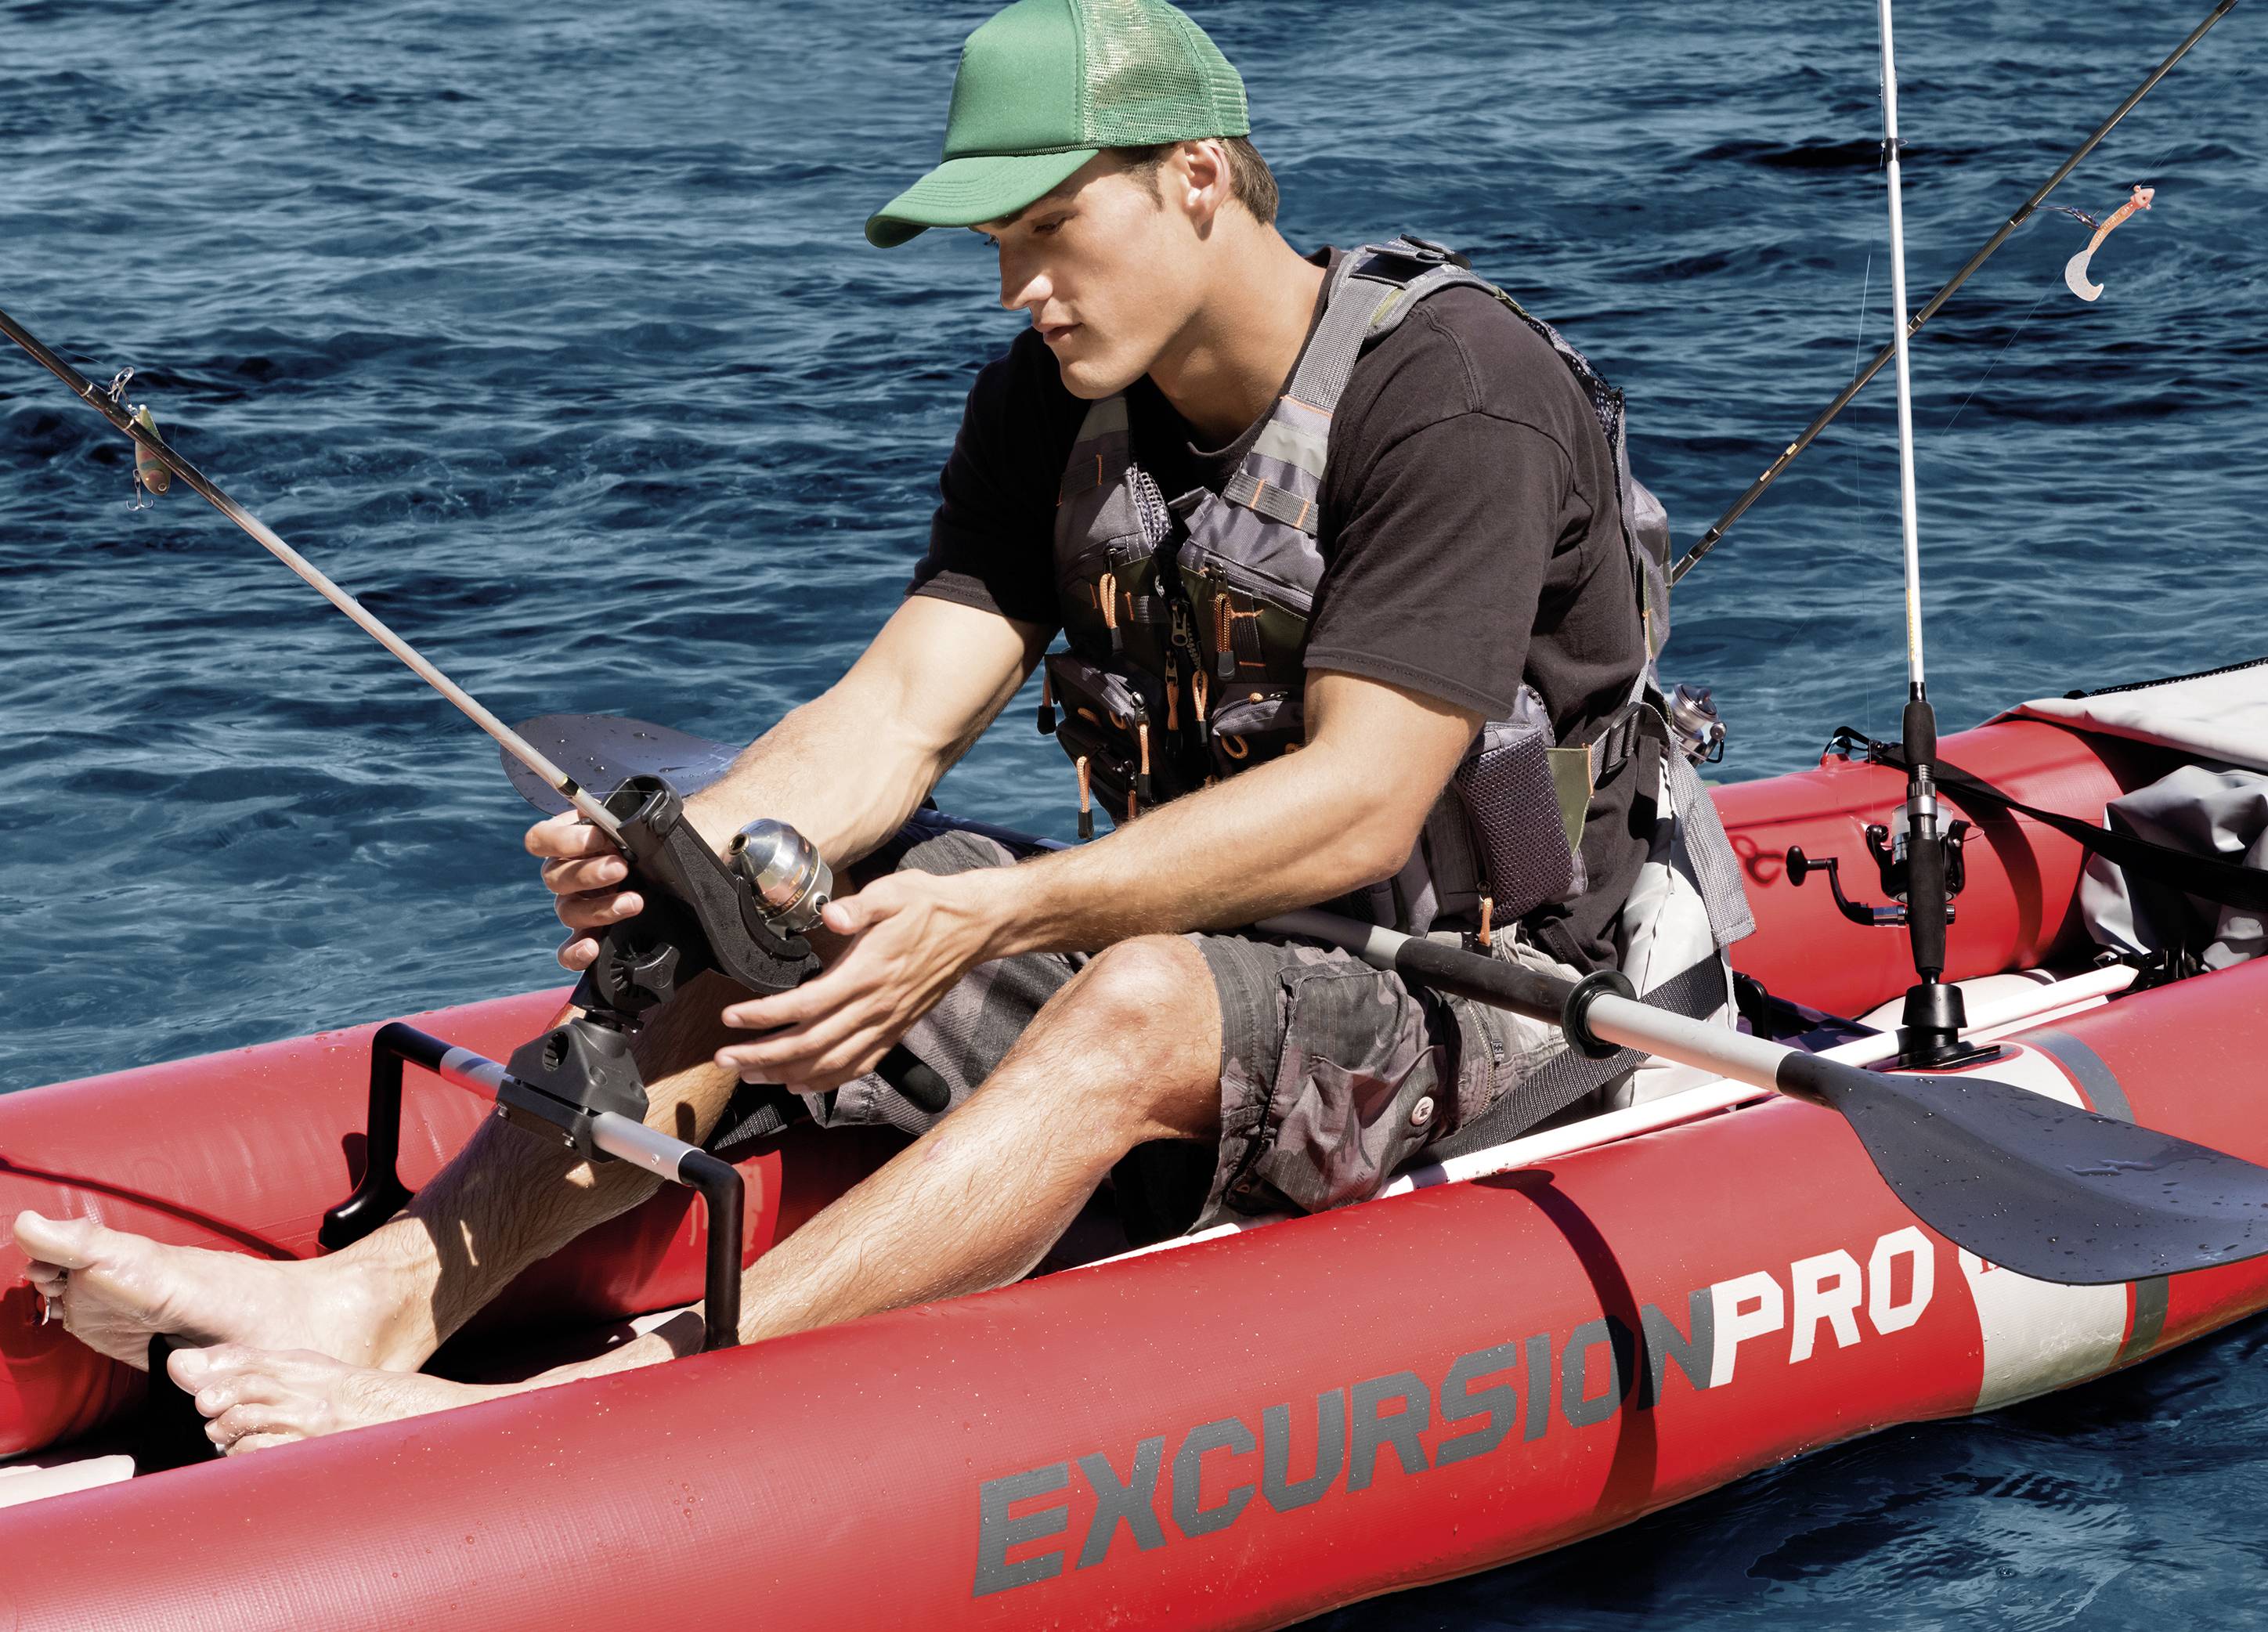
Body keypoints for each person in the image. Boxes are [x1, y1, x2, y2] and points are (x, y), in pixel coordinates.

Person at [9, 0, 1675, 1453]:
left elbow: (1363, 809)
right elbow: (890, 713)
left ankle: (620, 1399)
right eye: (993, 246)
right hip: (1220, 939)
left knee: (1138, 987)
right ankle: (372, 1300)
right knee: (757, 905)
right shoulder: (1057, 403)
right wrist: (693, 853)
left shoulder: (1447, 390)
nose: (1018, 284)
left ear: (1198, 175)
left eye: (1044, 226)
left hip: (1493, 994)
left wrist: (1003, 908)